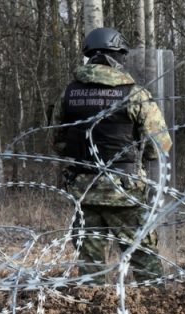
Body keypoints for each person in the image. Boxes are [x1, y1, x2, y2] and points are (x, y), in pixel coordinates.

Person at [52, 27, 172, 284]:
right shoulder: (134, 94)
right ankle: (160, 311)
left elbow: (59, 142)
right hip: (124, 192)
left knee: (90, 266)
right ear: (118, 56)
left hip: (84, 190)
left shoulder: (68, 94)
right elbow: (160, 146)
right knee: (144, 258)